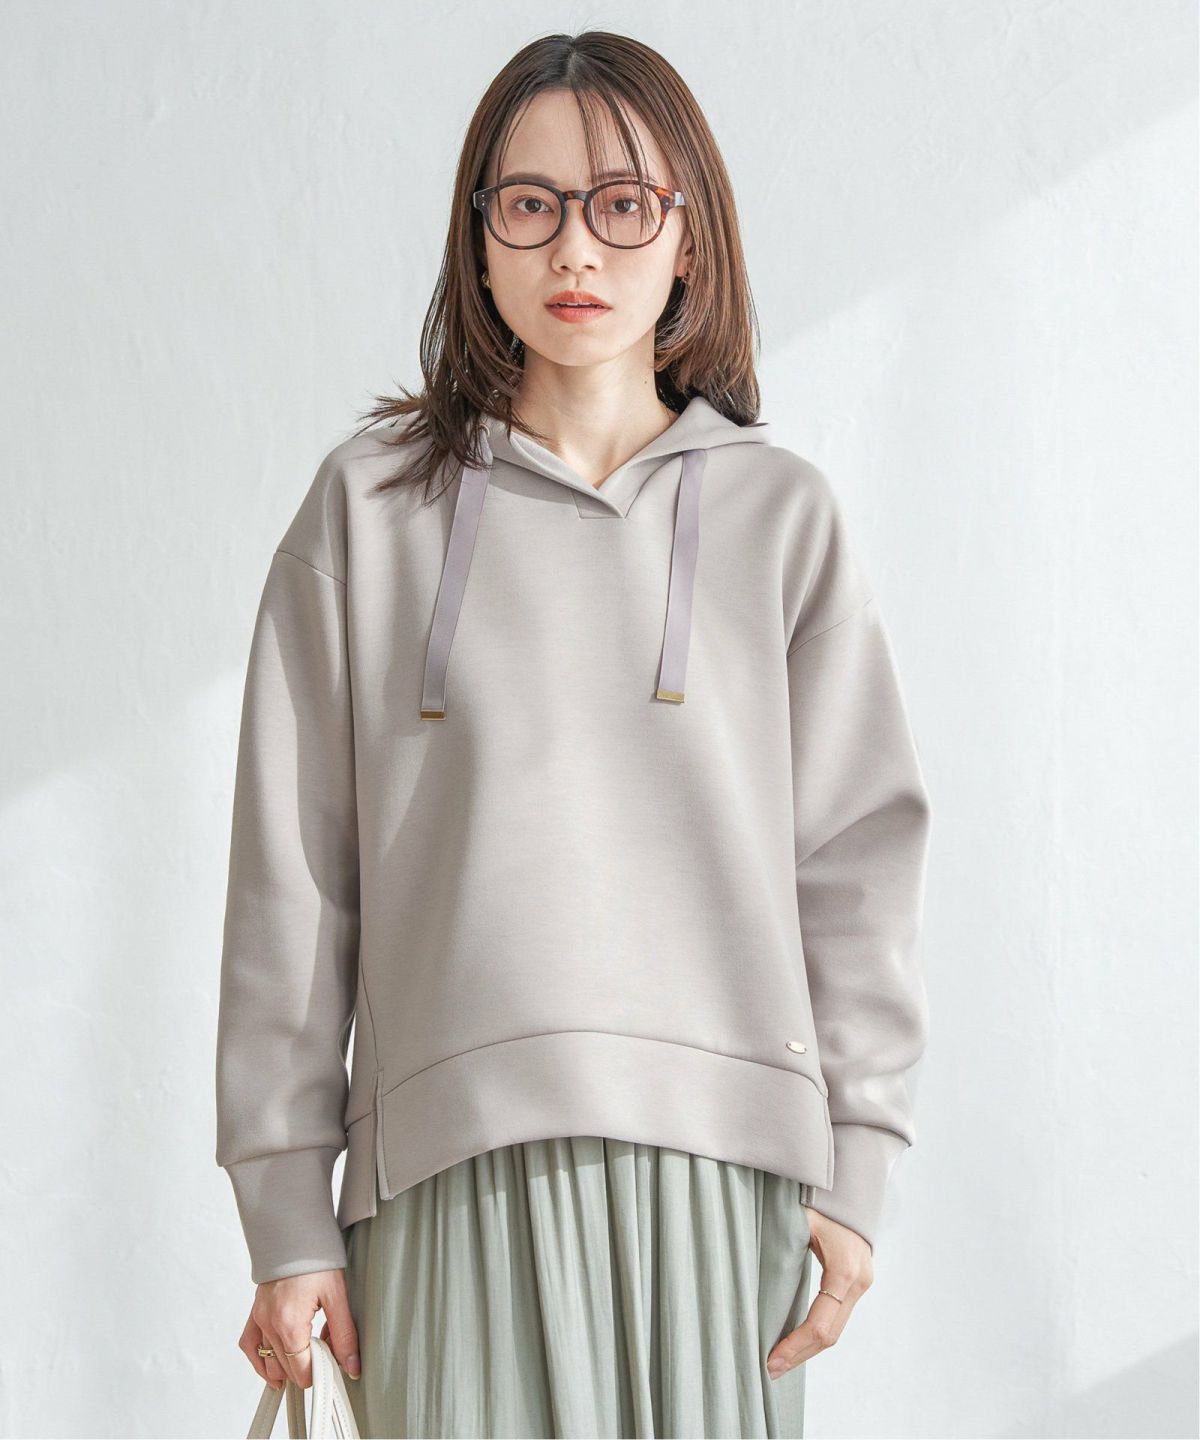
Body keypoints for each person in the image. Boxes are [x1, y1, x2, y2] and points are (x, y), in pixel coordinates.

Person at [215, 29, 933, 1440]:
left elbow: (856, 863)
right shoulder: (368, 512)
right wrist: (287, 1214)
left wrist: (859, 1163)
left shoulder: (780, 516)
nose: (575, 248)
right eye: (531, 204)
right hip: (441, 1173)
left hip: (723, 1176)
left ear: (690, 236)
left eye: (622, 203)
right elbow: (291, 882)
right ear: (478, 237)